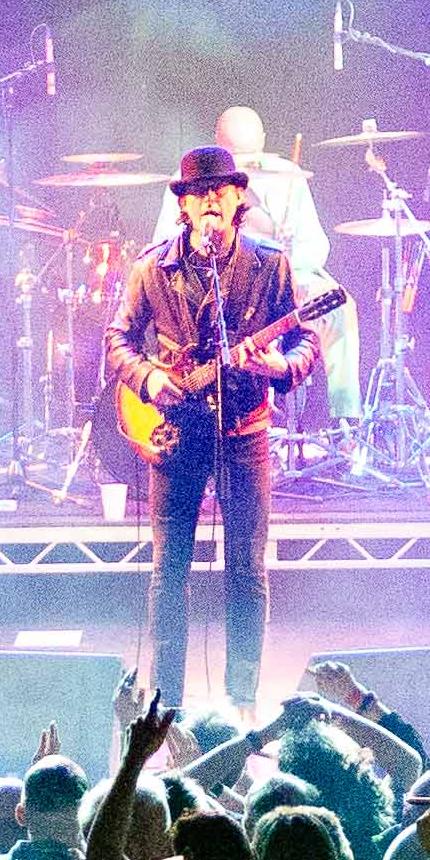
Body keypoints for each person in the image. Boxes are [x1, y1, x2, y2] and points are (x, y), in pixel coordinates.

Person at [109, 140, 319, 712]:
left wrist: (278, 364)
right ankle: (164, 708)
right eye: (196, 194)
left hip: (244, 430)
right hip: (176, 432)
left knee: (247, 569)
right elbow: (118, 340)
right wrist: (150, 379)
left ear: (236, 199)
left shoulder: (269, 264)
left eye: (218, 192)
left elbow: (304, 340)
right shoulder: (152, 268)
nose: (207, 203)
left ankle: (242, 702)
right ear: (183, 206)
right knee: (168, 572)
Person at [219, 102, 356, 414]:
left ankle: (345, 420)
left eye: (251, 159)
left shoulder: (287, 176)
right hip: (223, 286)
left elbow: (316, 246)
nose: (245, 169)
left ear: (264, 142)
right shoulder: (194, 181)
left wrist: (294, 263)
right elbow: (166, 247)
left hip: (286, 280)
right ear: (218, 145)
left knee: (341, 306)